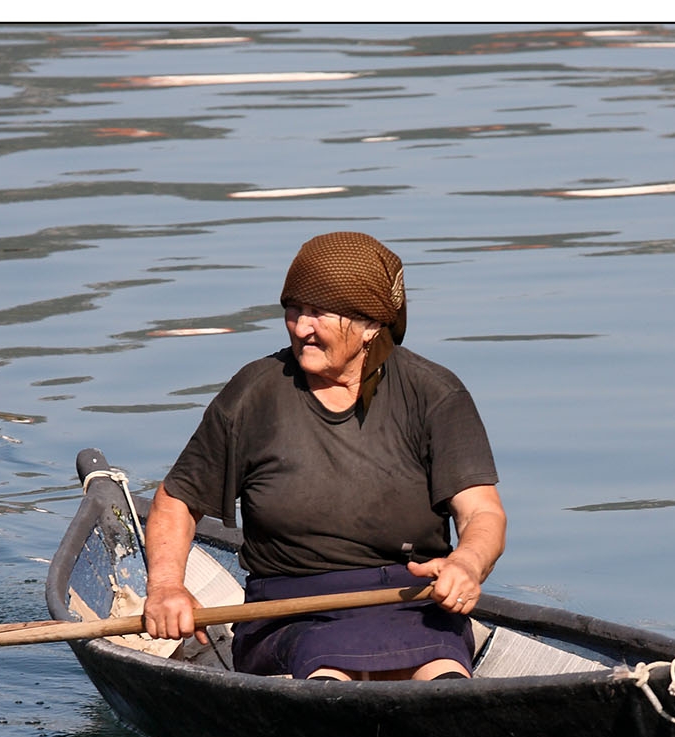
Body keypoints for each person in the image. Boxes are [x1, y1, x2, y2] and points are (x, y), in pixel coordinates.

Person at [142, 231, 506, 680]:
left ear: (372, 324)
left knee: (444, 673)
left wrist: (467, 564)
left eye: (318, 314)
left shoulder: (434, 394)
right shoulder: (255, 393)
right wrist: (165, 588)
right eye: (293, 310)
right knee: (328, 672)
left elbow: (482, 514)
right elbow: (176, 502)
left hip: (411, 600)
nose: (300, 327)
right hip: (289, 609)